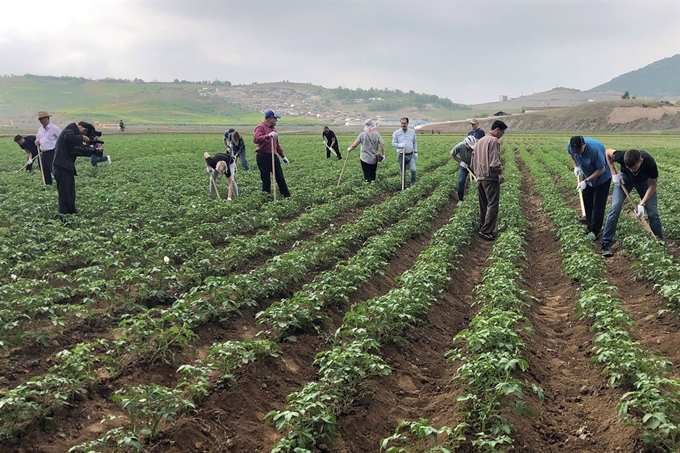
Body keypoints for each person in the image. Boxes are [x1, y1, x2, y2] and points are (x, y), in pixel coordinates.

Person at [600, 148, 663, 257]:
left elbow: (653, 185)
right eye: (629, 168)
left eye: (634, 168)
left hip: (644, 182)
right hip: (625, 180)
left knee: (653, 213)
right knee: (615, 207)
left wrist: (641, 203)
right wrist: (614, 172)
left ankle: (659, 244)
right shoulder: (621, 156)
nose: (632, 170)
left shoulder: (650, 163)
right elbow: (607, 152)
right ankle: (606, 243)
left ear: (641, 161)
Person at [51, 121, 103, 215]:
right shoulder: (72, 127)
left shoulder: (73, 137)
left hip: (66, 167)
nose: (83, 136)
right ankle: (64, 216)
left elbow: (76, 150)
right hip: (61, 166)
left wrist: (93, 151)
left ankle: (72, 213)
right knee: (64, 193)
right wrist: (82, 137)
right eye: (85, 134)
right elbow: (67, 136)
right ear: (84, 129)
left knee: (70, 193)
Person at [568, 136, 612, 241]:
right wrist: (576, 166)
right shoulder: (571, 146)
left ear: (584, 145)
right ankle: (589, 225)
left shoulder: (594, 150)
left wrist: (586, 181)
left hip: (602, 177)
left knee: (598, 205)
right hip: (587, 175)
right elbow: (572, 155)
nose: (578, 153)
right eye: (576, 151)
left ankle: (595, 231)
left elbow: (601, 169)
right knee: (587, 200)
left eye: (579, 150)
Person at [471, 120, 507, 241]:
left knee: (483, 204)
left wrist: (476, 173)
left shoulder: (480, 141)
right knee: (493, 203)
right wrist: (500, 173)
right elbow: (494, 160)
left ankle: (483, 227)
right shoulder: (493, 141)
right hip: (489, 176)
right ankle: (486, 231)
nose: (502, 135)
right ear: (496, 130)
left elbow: (473, 160)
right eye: (502, 132)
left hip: (479, 176)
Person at [253, 110, 291, 198]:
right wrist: (268, 136)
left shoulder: (274, 129)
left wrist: (283, 156)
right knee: (266, 180)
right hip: (263, 156)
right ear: (270, 118)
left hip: (273, 156)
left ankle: (286, 196)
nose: (277, 120)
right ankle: (266, 198)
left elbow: (276, 145)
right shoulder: (260, 127)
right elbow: (256, 139)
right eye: (275, 118)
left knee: (280, 177)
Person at [347, 119, 385, 183]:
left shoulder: (362, 134)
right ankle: (373, 182)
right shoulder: (377, 134)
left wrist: (350, 148)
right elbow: (382, 144)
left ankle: (367, 182)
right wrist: (383, 154)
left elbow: (354, 145)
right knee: (373, 172)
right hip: (374, 157)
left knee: (366, 172)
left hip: (364, 158)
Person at [35, 110, 62, 185]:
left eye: (42, 119)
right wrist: (37, 141)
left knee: (54, 170)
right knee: (44, 170)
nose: (41, 121)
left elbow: (61, 138)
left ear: (47, 118)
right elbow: (38, 138)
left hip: (52, 152)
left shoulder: (54, 128)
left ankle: (60, 184)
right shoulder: (40, 129)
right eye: (40, 119)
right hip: (43, 152)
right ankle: (48, 184)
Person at [391, 117, 418, 188]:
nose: (403, 125)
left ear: (407, 123)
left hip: (410, 155)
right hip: (401, 155)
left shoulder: (412, 132)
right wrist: (400, 145)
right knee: (403, 172)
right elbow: (393, 143)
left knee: (413, 170)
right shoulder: (396, 133)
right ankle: (404, 186)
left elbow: (415, 142)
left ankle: (413, 185)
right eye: (402, 123)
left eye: (404, 123)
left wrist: (415, 151)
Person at [450, 135, 477, 203]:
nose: (471, 148)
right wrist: (461, 162)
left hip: (475, 166)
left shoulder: (476, 147)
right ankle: (460, 199)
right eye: (470, 146)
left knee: (477, 182)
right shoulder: (459, 146)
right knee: (461, 181)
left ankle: (476, 198)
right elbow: (453, 154)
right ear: (466, 143)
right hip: (464, 166)